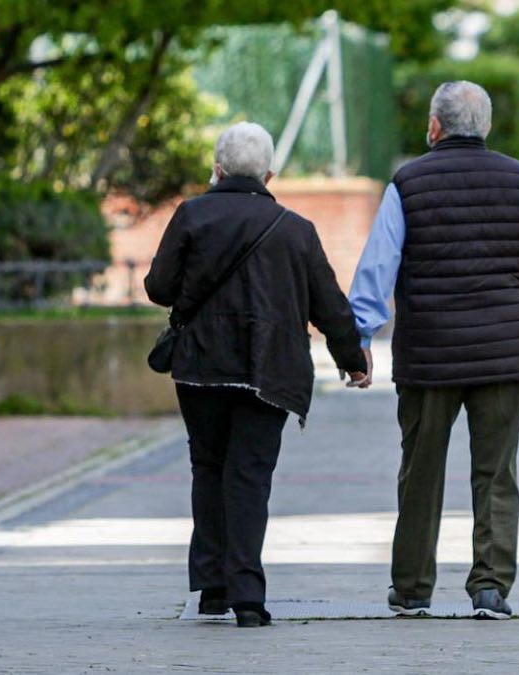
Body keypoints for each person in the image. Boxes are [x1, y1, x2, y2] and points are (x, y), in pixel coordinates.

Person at [348, 81, 519, 620]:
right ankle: (491, 587)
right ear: (487, 128)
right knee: (497, 473)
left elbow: (377, 268)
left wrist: (360, 337)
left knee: (420, 471)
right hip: (504, 352)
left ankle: (411, 588)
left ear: (434, 126)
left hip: (429, 355)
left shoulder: (407, 183)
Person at [144, 122, 368, 628]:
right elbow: (329, 304)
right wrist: (351, 357)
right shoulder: (295, 229)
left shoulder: (192, 215)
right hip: (270, 370)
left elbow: (159, 287)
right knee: (250, 476)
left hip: (200, 367)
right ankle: (248, 596)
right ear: (270, 174)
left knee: (208, 467)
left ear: (217, 169)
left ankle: (212, 588)